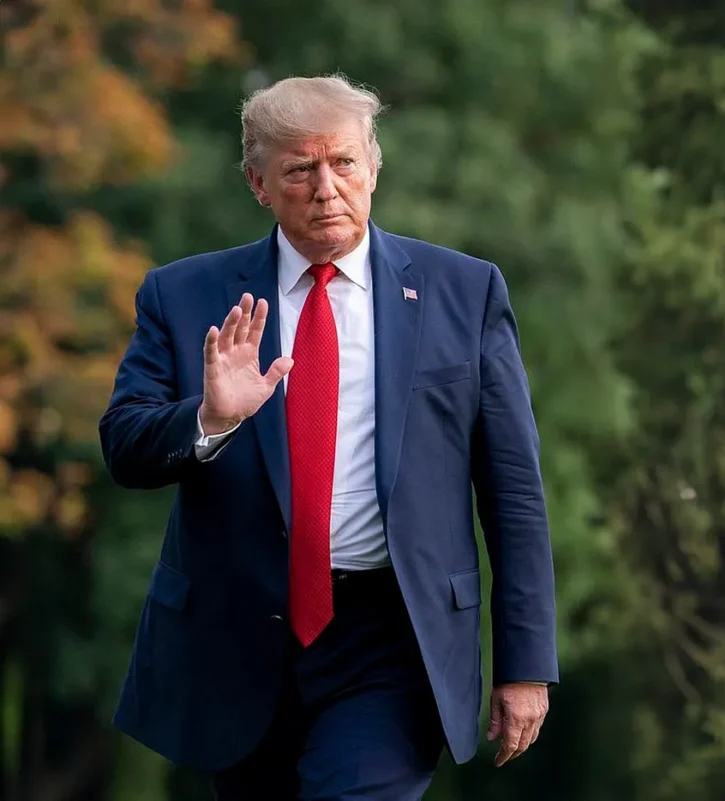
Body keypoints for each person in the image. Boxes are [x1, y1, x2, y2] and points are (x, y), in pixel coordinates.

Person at [99, 74, 558, 800]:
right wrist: (210, 420)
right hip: (239, 639)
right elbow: (124, 445)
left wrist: (526, 660)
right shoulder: (184, 295)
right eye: (299, 169)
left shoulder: (462, 292)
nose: (326, 187)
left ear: (373, 166)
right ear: (258, 183)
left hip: (391, 638)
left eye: (343, 162)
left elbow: (513, 491)